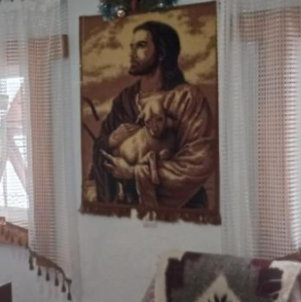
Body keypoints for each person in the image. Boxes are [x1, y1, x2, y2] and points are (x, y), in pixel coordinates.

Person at [91, 21, 215, 209]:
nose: (131, 53)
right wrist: (109, 141)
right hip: (126, 211)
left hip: (182, 214)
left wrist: (134, 173)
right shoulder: (125, 100)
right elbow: (101, 148)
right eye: (131, 46)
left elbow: (198, 161)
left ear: (162, 53)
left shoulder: (186, 98)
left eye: (141, 45)